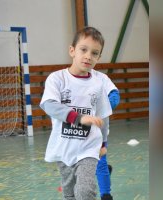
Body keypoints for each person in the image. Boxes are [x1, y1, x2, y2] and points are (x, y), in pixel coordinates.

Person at [40, 27, 112, 200]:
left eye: (94, 53)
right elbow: (49, 105)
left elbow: (103, 116)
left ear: (99, 58)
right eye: (83, 49)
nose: (88, 56)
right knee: (69, 193)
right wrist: (79, 118)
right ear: (72, 50)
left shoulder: (98, 84)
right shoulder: (57, 79)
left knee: (85, 191)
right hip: (64, 147)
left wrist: (103, 144)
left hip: (89, 148)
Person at [92, 70, 120, 200]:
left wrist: (104, 107)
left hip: (98, 131)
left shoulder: (101, 78)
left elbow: (114, 94)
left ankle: (106, 194)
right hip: (75, 133)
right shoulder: (65, 78)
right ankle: (105, 173)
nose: (88, 57)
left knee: (100, 162)